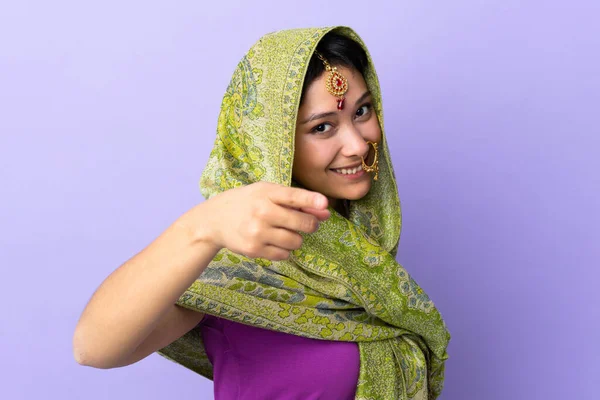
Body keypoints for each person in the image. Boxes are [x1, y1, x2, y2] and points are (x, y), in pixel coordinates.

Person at [73, 26, 450, 399]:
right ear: (274, 144)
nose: (356, 144)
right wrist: (201, 228)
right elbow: (93, 349)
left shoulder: (366, 253)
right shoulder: (237, 258)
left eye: (362, 111)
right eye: (322, 127)